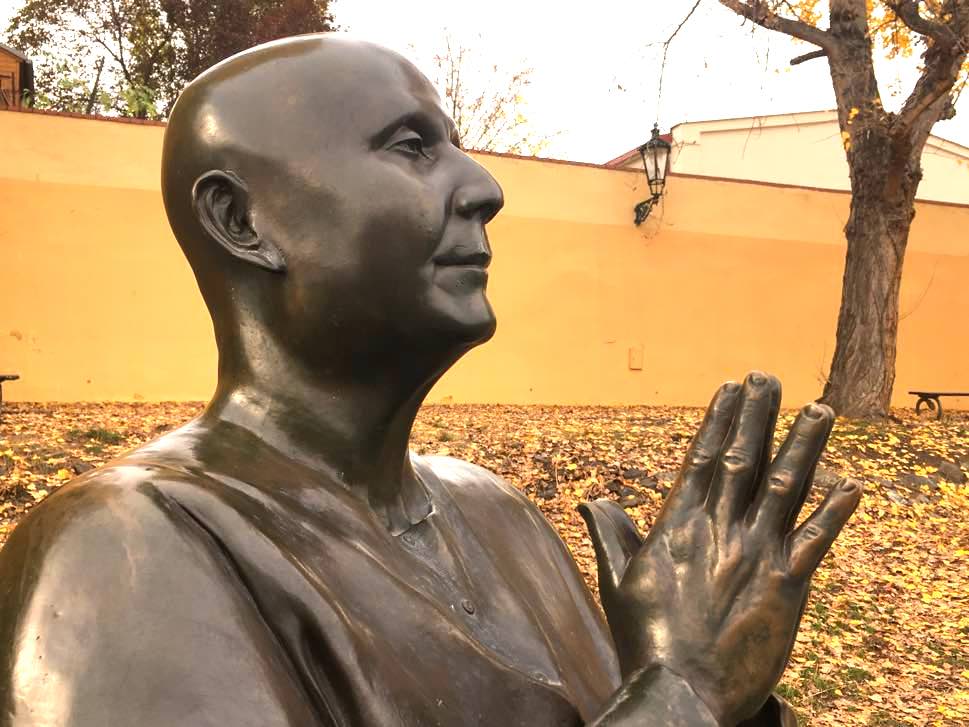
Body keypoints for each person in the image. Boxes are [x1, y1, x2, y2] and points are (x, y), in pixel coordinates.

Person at [0, 36, 861, 726]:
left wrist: (720, 684)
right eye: (411, 147)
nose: (483, 189)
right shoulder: (121, 547)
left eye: (454, 145)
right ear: (241, 219)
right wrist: (682, 695)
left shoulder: (499, 514)